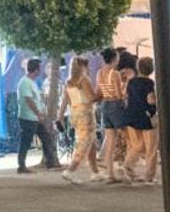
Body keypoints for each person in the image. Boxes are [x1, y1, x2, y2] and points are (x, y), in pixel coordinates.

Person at [15, 58, 59, 173]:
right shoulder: (25, 82)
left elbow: (35, 99)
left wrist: (41, 113)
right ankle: (22, 166)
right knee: (26, 141)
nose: (41, 70)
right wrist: (38, 113)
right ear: (35, 70)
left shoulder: (31, 82)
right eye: (39, 68)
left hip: (35, 117)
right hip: (28, 118)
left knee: (46, 138)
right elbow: (28, 100)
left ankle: (51, 163)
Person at [61, 56, 100, 184]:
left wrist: (60, 116)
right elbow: (91, 97)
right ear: (83, 67)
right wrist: (102, 94)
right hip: (85, 113)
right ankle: (71, 170)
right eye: (87, 66)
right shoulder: (84, 80)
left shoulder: (68, 81)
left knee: (91, 141)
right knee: (84, 142)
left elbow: (65, 100)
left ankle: (95, 172)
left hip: (74, 113)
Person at [121, 55, 158, 185]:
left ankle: (127, 165)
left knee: (137, 145)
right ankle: (149, 176)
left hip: (131, 115)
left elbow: (125, 95)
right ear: (152, 70)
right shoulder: (149, 83)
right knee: (151, 148)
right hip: (146, 116)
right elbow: (150, 99)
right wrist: (154, 109)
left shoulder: (131, 82)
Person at [96, 48, 128, 182]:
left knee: (110, 141)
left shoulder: (99, 73)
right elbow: (118, 94)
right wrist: (125, 89)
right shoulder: (114, 74)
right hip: (115, 105)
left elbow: (99, 91)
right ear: (114, 59)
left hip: (104, 105)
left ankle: (110, 174)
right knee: (127, 138)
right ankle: (125, 169)